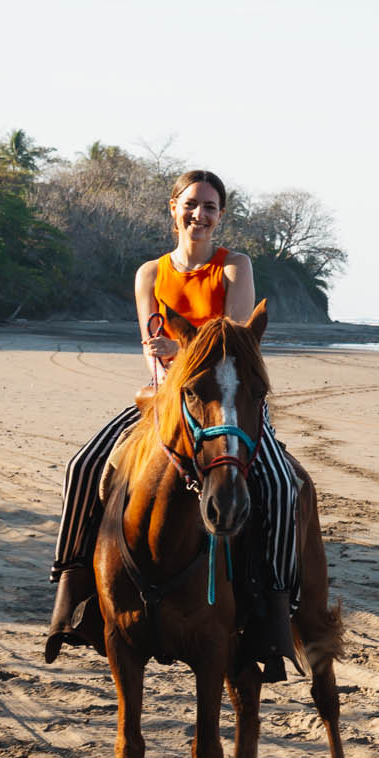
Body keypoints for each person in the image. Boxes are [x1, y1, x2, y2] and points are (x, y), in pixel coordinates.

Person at [47, 168, 300, 675]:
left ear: (220, 216)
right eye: (191, 204)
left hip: (228, 403)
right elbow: (150, 351)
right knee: (83, 465)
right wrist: (166, 364)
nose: (199, 214)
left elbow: (235, 344)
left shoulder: (235, 269)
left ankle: (274, 608)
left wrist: (182, 350)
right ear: (173, 208)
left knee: (280, 484)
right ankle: (73, 589)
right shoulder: (149, 274)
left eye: (209, 207)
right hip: (168, 401)